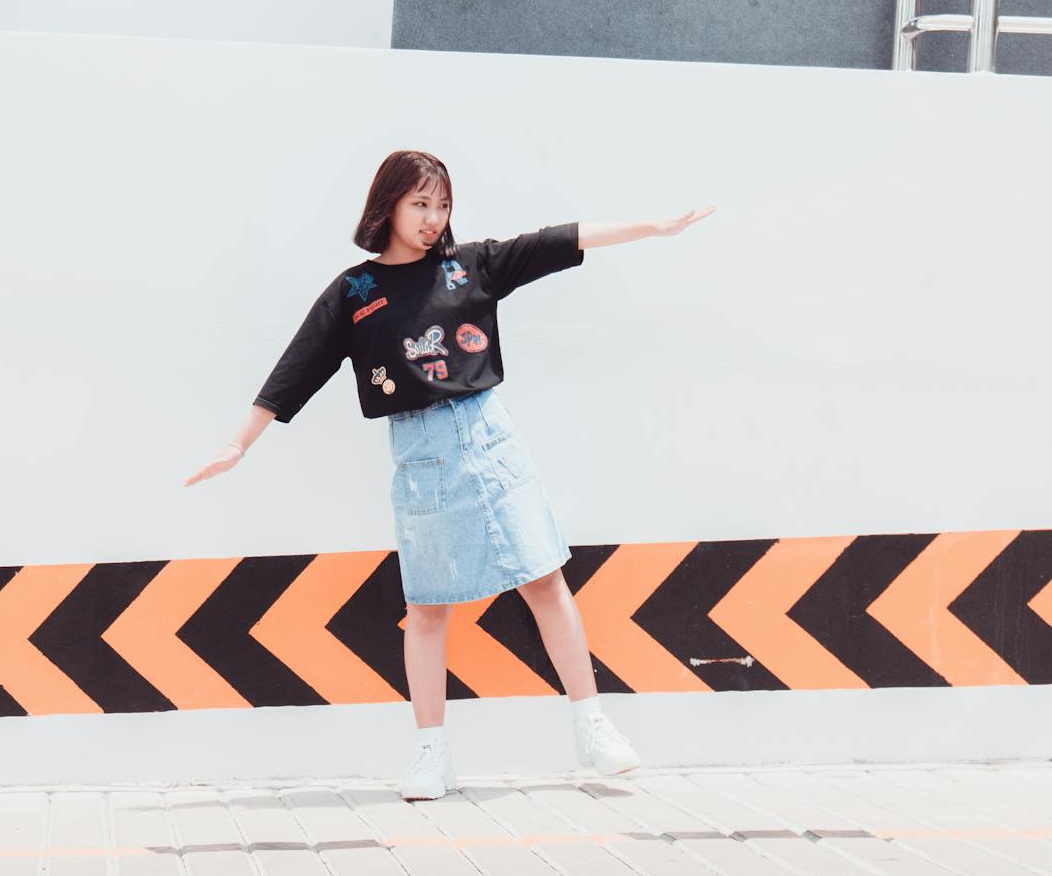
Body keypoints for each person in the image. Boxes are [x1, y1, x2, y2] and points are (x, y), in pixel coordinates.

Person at [184, 149, 714, 799]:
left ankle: (592, 724)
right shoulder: (356, 291)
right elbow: (299, 365)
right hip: (421, 453)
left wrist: (654, 228)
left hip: (491, 439)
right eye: (420, 205)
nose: (433, 219)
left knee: (544, 580)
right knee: (428, 608)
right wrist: (241, 444)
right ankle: (432, 753)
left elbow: (558, 240)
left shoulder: (472, 267)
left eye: (442, 205)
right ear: (389, 206)